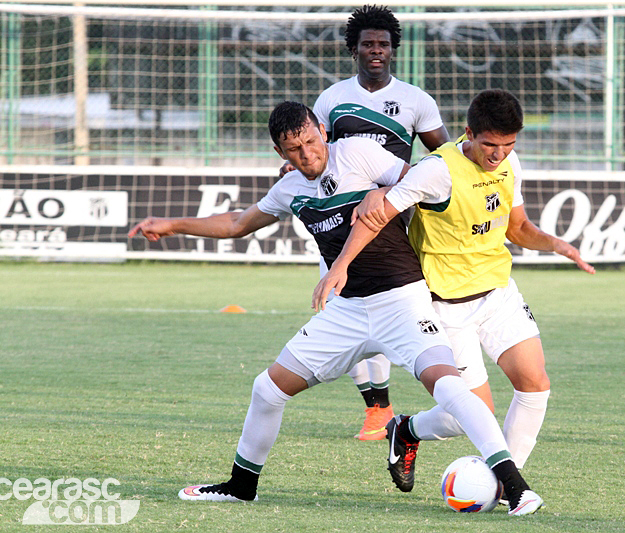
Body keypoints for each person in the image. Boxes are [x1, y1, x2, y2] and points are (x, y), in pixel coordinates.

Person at [129, 101, 542, 516]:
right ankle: (241, 487)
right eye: (294, 150)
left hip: (403, 300)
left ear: (323, 132)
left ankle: (515, 488)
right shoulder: (290, 189)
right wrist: (172, 224)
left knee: (450, 387)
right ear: (280, 152)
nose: (307, 154)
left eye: (311, 141)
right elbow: (238, 223)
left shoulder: (357, 152)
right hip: (346, 312)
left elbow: (417, 180)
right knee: (267, 389)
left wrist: (380, 192)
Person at [313, 89, 595, 504]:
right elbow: (378, 215)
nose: (499, 154)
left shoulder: (509, 162)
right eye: (490, 145)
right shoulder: (437, 170)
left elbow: (517, 228)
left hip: (497, 292)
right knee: (469, 417)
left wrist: (556, 244)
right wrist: (340, 265)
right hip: (446, 305)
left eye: (508, 144)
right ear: (469, 133)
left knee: (535, 384)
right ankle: (407, 429)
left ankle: (504, 487)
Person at [282, 4, 451, 441]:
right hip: (341, 223)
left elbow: (443, 158)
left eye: (383, 44)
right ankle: (377, 408)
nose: (376, 50)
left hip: (396, 219)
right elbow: (314, 149)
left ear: (393, 49)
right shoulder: (332, 99)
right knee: (341, 303)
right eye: (368, 44)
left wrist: (392, 187)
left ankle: (436, 382)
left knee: (398, 304)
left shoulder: (417, 100)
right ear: (353, 50)